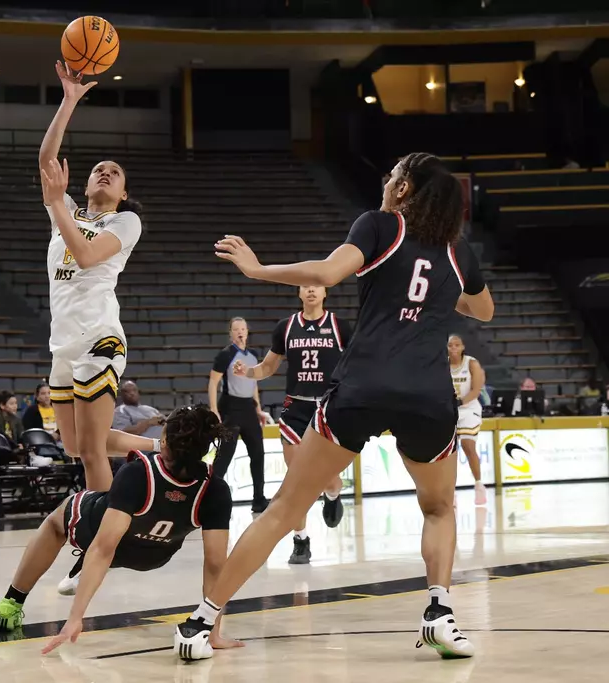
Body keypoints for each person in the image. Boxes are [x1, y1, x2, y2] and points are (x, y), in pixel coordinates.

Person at [174, 153, 495, 661]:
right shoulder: (458, 252)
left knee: (284, 509)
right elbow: (483, 309)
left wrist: (257, 270)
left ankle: (201, 621)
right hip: (427, 398)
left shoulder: (380, 226)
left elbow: (327, 271)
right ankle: (439, 613)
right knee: (438, 508)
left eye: (392, 175)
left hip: (362, 387)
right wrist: (438, 296)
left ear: (406, 188)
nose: (386, 181)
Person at [0, 405, 242, 657]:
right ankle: (84, 567)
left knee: (57, 522)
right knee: (110, 533)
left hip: (100, 533)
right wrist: (211, 629)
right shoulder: (216, 489)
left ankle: (11, 603)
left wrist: (75, 617)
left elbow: (103, 548)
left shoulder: (138, 472)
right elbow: (215, 565)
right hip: (155, 555)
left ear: (165, 440)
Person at [39, 60, 144, 494]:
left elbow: (84, 255)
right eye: (98, 168)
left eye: (114, 172)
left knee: (94, 450)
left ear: (122, 193)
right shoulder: (66, 213)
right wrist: (68, 101)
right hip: (63, 341)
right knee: (74, 446)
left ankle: (99, 534)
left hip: (100, 335)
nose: (105, 171)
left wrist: (58, 205)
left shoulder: (126, 223)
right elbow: (47, 159)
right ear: (83, 185)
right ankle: (166, 449)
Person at [231, 286, 353, 563]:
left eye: (316, 285)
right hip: (295, 408)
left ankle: (333, 494)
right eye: (305, 286)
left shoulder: (339, 326)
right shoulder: (286, 327)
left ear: (325, 292)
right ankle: (301, 541)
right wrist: (248, 372)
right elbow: (268, 367)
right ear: (299, 293)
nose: (310, 289)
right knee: (295, 481)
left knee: (327, 478)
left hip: (327, 407)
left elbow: (356, 362)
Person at [208, 318, 271, 512]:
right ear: (231, 333)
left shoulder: (252, 355)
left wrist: (258, 408)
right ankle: (209, 499)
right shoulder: (225, 355)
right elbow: (213, 383)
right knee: (225, 456)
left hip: (248, 409)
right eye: (236, 330)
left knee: (258, 454)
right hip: (231, 407)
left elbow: (254, 383)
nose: (240, 332)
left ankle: (259, 499)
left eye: (243, 329)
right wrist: (214, 410)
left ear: (247, 332)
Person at [448, 334, 487, 505]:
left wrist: (460, 402)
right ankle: (450, 491)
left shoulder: (472, 363)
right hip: (449, 410)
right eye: (450, 345)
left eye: (457, 345)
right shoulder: (442, 364)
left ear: (463, 347)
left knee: (467, 445)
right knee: (448, 452)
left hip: (469, 408)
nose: (454, 348)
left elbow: (476, 389)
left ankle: (479, 485)